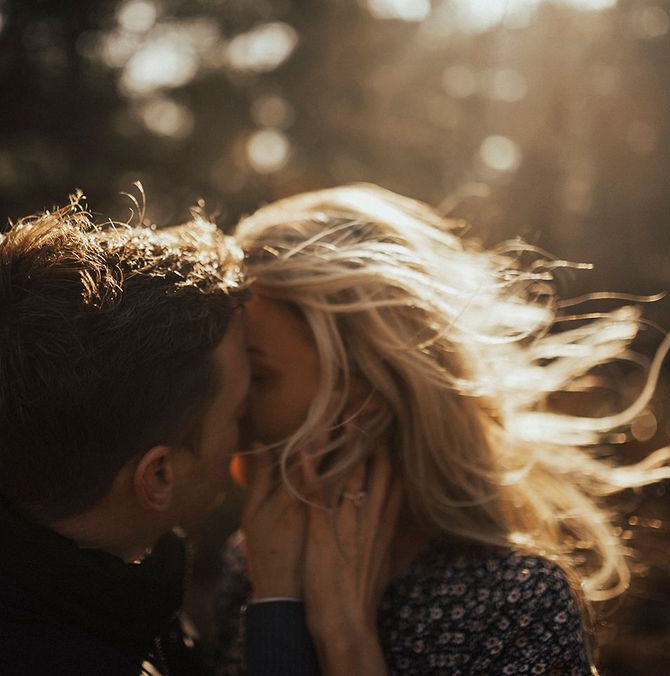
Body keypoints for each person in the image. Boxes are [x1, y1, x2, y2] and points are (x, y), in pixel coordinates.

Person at [216, 184, 670, 675]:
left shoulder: (515, 605)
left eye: (258, 376)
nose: (232, 405)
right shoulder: (253, 559)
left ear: (367, 384)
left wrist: (347, 642)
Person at [0, 195, 390, 676]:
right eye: (239, 408)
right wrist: (300, 622)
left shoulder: (115, 599)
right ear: (158, 476)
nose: (247, 435)